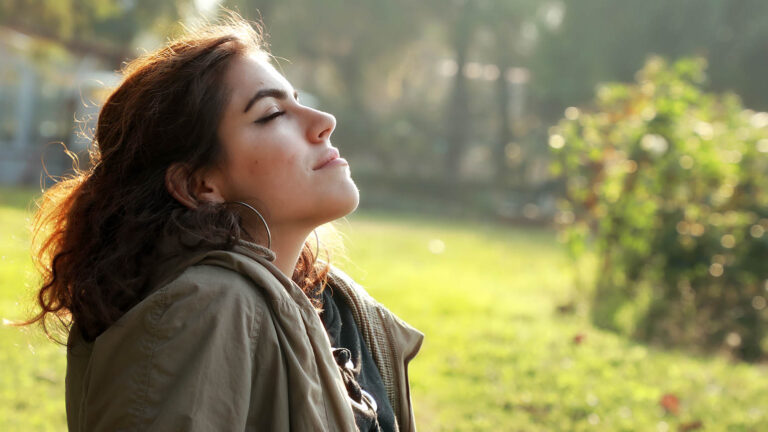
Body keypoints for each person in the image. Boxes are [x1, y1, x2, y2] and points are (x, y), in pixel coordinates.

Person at [27, 13, 423, 432]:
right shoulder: (204, 307)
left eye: (297, 100)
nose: (325, 121)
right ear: (199, 185)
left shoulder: (335, 303)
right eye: (272, 113)